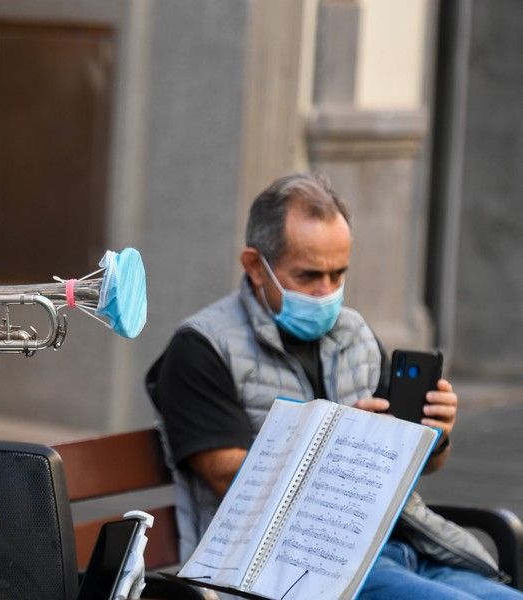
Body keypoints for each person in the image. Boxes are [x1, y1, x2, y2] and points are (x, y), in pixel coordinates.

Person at [146, 172, 523, 599]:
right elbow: (228, 480)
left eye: (338, 274)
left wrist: (434, 438)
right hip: (293, 570)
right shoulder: (202, 347)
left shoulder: (355, 333)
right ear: (255, 266)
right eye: (308, 276)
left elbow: (419, 467)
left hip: (404, 547)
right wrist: (340, 445)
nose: (326, 292)